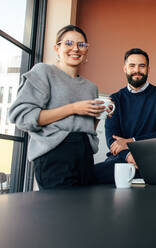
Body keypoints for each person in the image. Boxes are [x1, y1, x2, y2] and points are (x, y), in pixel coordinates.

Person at [9, 25, 106, 189]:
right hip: (54, 155)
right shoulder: (43, 72)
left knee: (84, 213)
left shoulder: (91, 87)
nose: (75, 49)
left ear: (86, 50)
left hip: (85, 155)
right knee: (59, 212)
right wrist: (73, 108)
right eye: (69, 43)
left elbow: (86, 126)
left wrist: (98, 115)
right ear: (57, 48)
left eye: (81, 45)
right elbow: (22, 118)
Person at [94, 48, 156, 184]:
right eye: (132, 66)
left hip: (152, 160)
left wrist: (130, 141)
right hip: (121, 159)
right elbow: (112, 140)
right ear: (125, 69)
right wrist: (128, 155)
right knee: (86, 176)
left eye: (141, 66)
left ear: (148, 69)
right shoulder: (115, 99)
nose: (137, 70)